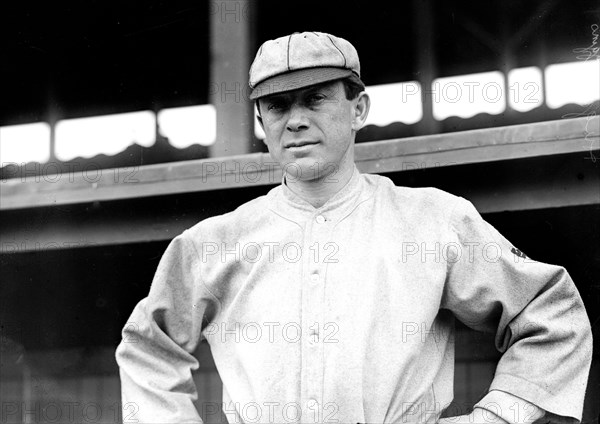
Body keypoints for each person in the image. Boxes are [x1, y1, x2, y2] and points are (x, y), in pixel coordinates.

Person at [115, 31, 593, 424]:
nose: (296, 121)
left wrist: (496, 417)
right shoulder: (212, 243)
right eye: (278, 106)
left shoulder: (434, 220)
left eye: (316, 99)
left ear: (358, 109)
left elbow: (551, 314)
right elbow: (148, 347)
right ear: (260, 121)